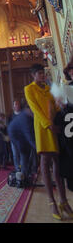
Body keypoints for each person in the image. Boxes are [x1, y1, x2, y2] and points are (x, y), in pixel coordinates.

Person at [24, 63, 73, 220]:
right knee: (45, 162)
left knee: (58, 164)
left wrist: (61, 105)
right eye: (39, 73)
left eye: (43, 73)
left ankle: (63, 201)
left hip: (55, 127)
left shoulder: (48, 88)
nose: (42, 76)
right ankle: (51, 201)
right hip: (43, 129)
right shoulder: (29, 89)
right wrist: (48, 125)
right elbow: (35, 109)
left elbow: (55, 107)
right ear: (33, 75)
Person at [53, 59, 73, 195]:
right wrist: (61, 106)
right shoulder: (68, 88)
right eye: (70, 71)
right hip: (69, 134)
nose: (71, 73)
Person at [7, 104, 37, 187]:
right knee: (24, 154)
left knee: (26, 155)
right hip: (16, 137)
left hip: (21, 136)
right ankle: (23, 176)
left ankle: (25, 175)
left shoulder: (27, 116)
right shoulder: (25, 118)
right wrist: (38, 148)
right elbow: (29, 134)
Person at [7, 100, 22, 172]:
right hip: (14, 138)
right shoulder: (11, 116)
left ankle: (24, 167)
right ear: (13, 106)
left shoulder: (23, 114)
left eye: (18, 104)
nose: (17, 105)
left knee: (23, 154)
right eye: (15, 104)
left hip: (23, 138)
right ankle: (17, 168)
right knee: (15, 154)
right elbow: (9, 127)